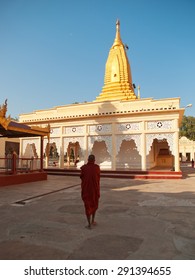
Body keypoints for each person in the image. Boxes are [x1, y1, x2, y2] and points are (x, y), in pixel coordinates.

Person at [80, 154, 100, 229]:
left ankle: (89, 224)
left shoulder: (84, 168)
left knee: (87, 206)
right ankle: (93, 220)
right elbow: (98, 177)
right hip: (94, 190)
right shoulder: (97, 168)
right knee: (94, 203)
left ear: (88, 160)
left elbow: (81, 177)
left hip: (87, 190)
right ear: (94, 160)